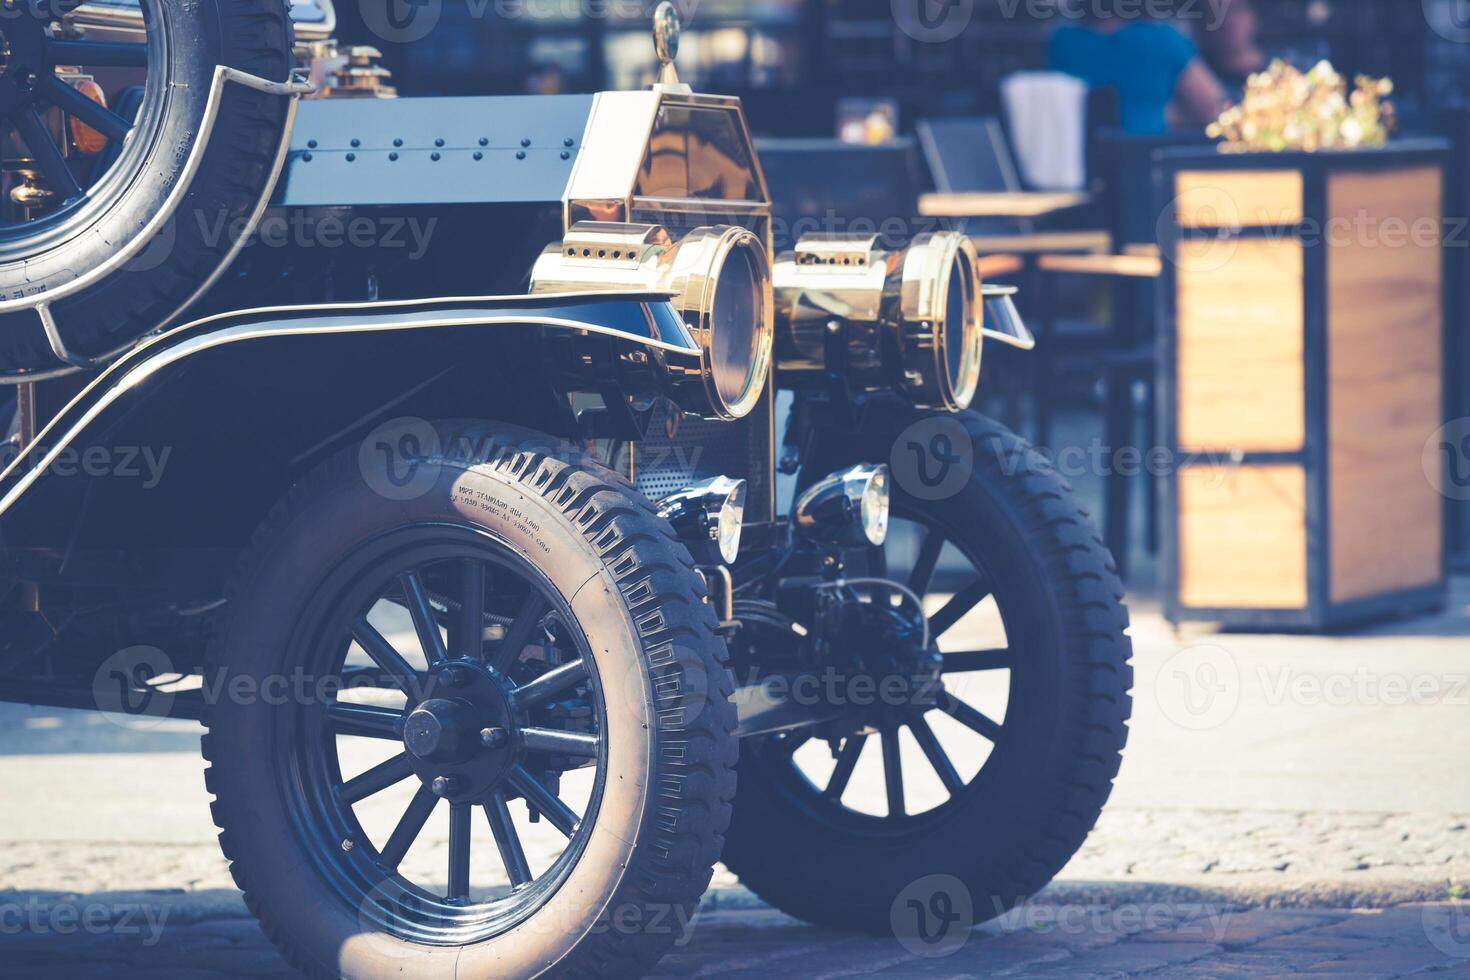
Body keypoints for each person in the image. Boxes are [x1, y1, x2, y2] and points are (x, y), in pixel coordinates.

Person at [1048, 1, 1228, 135]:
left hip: (1078, 167)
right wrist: (1171, 114)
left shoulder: (1061, 41)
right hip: (1146, 161)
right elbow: (1214, 109)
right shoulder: (1165, 40)